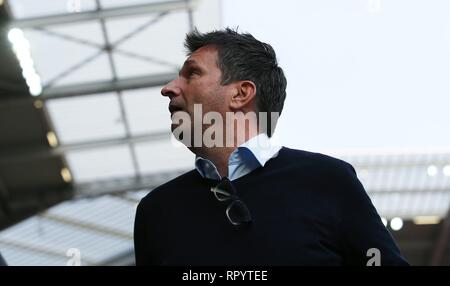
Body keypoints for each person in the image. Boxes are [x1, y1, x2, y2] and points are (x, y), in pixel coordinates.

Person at [134, 28, 408, 266]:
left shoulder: (327, 181)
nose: (168, 88)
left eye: (192, 73)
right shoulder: (155, 211)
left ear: (241, 94)